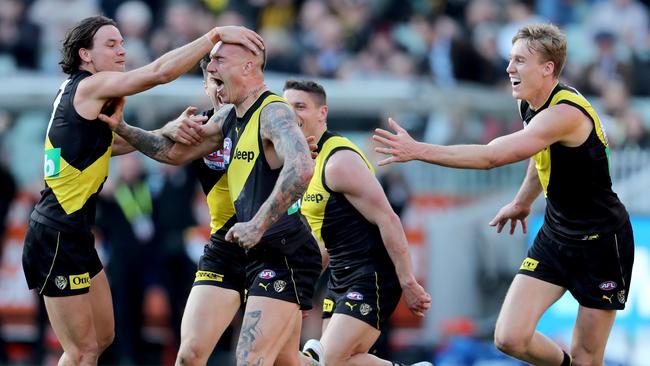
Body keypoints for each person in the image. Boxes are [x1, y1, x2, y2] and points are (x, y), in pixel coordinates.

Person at [373, 23, 634, 366]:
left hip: (601, 242)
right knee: (509, 337)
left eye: (520, 60)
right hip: (557, 236)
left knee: (588, 355)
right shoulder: (531, 103)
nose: (509, 68)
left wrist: (419, 150)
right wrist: (522, 202)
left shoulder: (564, 114)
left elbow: (492, 157)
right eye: (510, 59)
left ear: (548, 68)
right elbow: (541, 157)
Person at [20, 15, 263, 365]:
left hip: (74, 233)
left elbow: (107, 144)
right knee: (82, 351)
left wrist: (164, 131)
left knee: (104, 337)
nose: (122, 50)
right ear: (86, 55)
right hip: (56, 233)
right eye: (111, 44)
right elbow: (158, 73)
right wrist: (213, 35)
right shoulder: (92, 86)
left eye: (122, 42)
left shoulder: (80, 93)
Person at [100, 41, 323, 366]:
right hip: (228, 244)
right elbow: (172, 153)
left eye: (220, 62)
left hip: (278, 246)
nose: (213, 69)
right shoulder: (220, 118)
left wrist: (258, 224)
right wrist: (123, 127)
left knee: (252, 360)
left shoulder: (272, 112)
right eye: (211, 73)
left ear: (248, 67)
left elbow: (303, 167)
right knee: (191, 356)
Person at [283, 79, 433, 366]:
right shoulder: (300, 163)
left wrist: (408, 282)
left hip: (372, 273)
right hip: (341, 274)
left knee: (330, 359)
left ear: (322, 113)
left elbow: (388, 219)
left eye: (300, 106)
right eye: (286, 107)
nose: (292, 114)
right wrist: (302, 287)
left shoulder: (338, 161)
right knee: (337, 362)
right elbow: (322, 242)